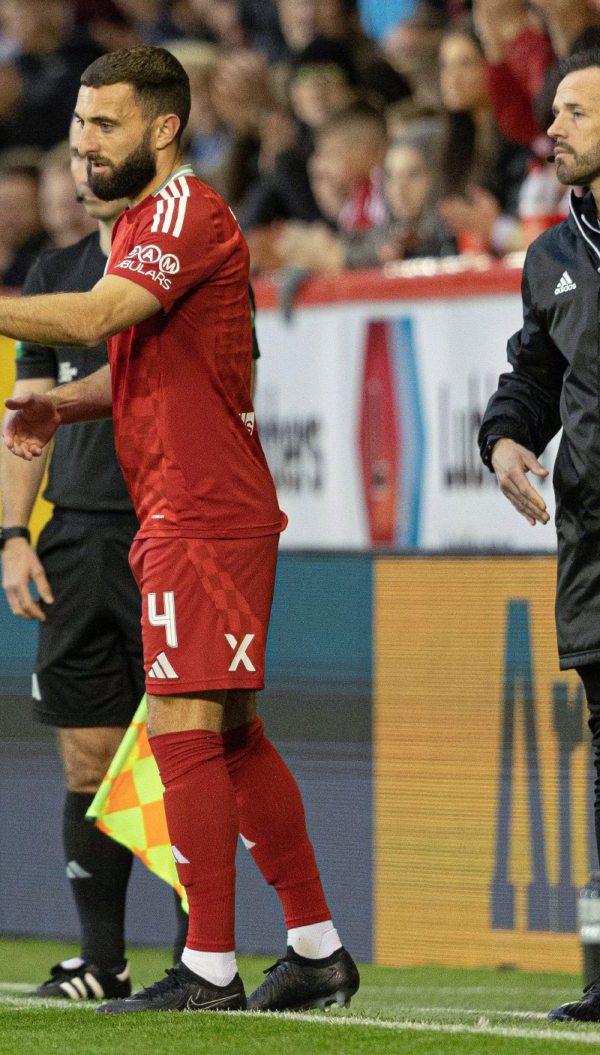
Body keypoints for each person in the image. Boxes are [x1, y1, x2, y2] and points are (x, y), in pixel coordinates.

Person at [0, 44, 358, 1015]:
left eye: (105, 124)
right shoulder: (146, 224)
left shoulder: (182, 213)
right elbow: (157, 369)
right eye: (80, 124)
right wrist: (69, 408)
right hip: (186, 501)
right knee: (237, 734)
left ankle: (207, 964)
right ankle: (314, 945)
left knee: (180, 725)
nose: (84, 143)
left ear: (164, 128)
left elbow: (98, 316)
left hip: (204, 510)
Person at [1, 130, 186, 1002]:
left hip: (170, 527)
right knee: (87, 753)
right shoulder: (52, 273)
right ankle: (102, 962)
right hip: (73, 537)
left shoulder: (186, 258)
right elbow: (25, 414)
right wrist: (13, 533)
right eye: (75, 156)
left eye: (99, 152)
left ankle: (200, 958)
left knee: (185, 748)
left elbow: (225, 385)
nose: (86, 170)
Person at [478, 48, 600, 1024]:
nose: (548, 128)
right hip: (595, 533)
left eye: (572, 112)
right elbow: (535, 366)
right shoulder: (553, 258)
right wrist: (509, 433)